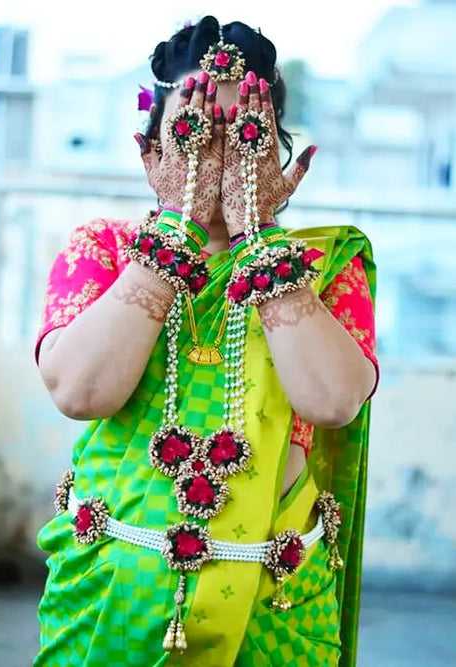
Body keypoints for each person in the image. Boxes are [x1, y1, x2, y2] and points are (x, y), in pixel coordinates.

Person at [33, 15, 380, 667]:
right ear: (150, 148)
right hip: (107, 591)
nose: (214, 158)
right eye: (193, 132)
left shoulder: (326, 265)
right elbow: (81, 390)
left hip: (274, 603)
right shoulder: (104, 249)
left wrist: (257, 236)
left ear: (276, 154)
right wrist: (177, 229)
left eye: (242, 136)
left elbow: (332, 400)